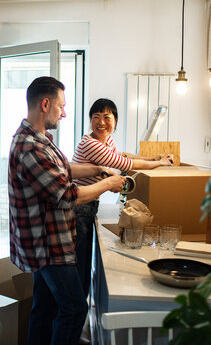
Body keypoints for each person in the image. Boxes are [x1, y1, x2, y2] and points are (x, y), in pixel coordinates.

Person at [8, 77, 126, 345]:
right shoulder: (30, 147)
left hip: (47, 241)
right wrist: (107, 183)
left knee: (45, 307)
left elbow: (64, 169)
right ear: (46, 104)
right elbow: (67, 194)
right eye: (61, 106)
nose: (65, 112)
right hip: (47, 244)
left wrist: (97, 170)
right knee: (74, 308)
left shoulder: (40, 140)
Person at [72, 98, 173, 299]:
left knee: (83, 261)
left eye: (107, 117)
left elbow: (122, 153)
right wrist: (159, 163)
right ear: (90, 121)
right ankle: (78, 311)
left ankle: (79, 308)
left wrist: (150, 159)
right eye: (96, 117)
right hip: (79, 208)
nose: (101, 122)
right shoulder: (90, 143)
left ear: (115, 121)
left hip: (89, 205)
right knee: (80, 264)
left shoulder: (106, 140)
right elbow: (122, 162)